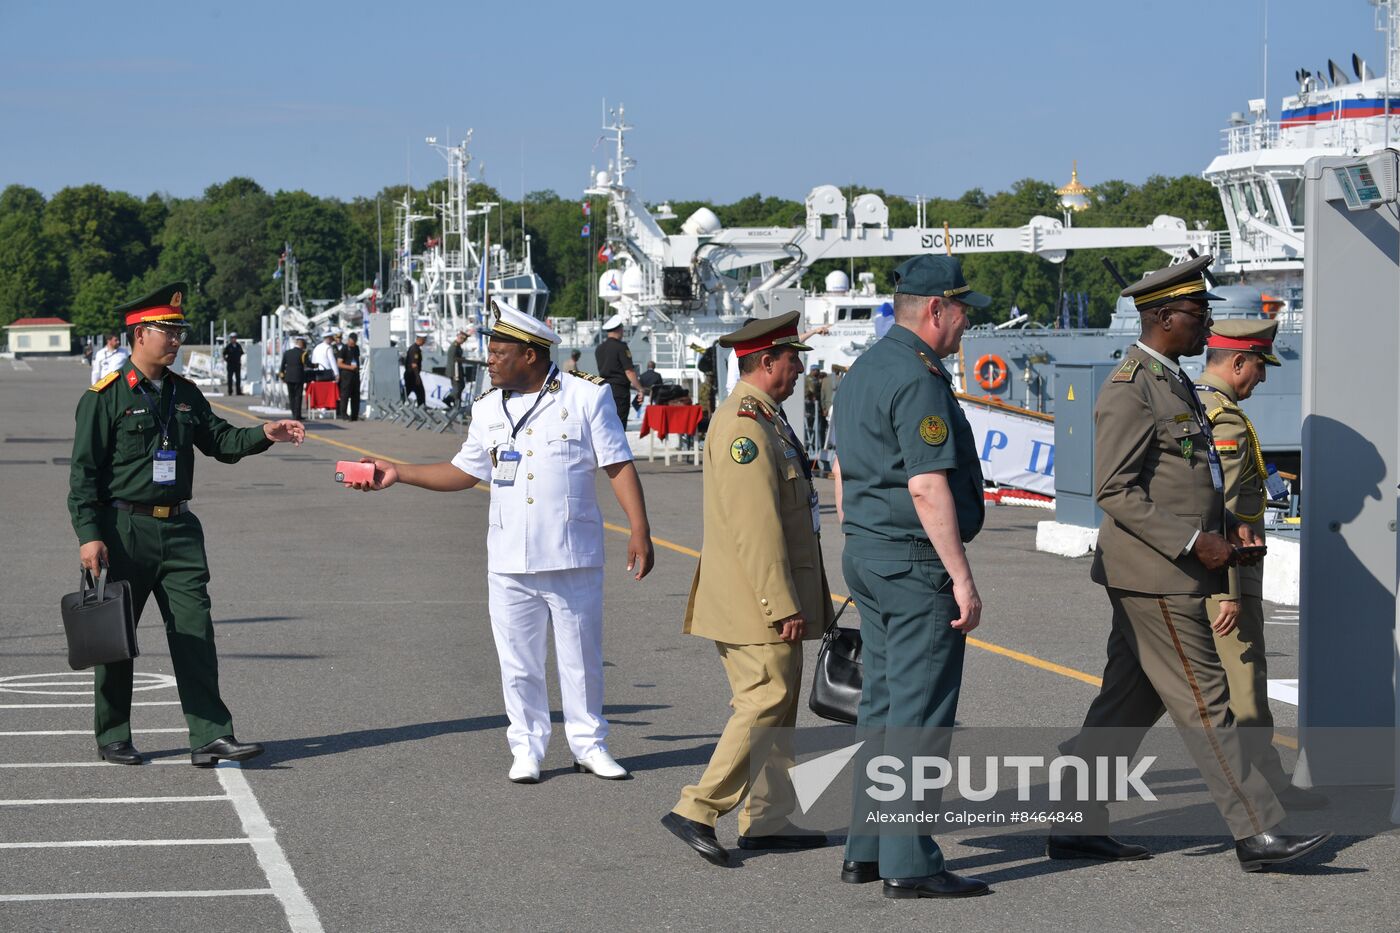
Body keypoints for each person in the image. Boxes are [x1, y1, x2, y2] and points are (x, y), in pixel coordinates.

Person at [1060, 255, 1329, 872]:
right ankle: (1259, 832)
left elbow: (1190, 476)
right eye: (1197, 312)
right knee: (1208, 702)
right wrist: (1192, 542)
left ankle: (1075, 820)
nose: (1206, 325)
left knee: (1127, 704)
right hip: (1158, 573)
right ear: (1161, 317)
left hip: (1166, 568)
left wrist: (1223, 524)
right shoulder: (1130, 387)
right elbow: (1114, 490)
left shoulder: (1172, 380)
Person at [349, 300, 655, 784]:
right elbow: (463, 472)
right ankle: (527, 748)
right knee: (518, 663)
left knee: (581, 660)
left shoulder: (584, 396)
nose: (489, 360)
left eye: (498, 351)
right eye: (489, 350)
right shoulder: (487, 408)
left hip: (571, 554)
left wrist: (639, 529)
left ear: (530, 355)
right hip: (509, 557)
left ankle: (589, 744)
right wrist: (398, 472)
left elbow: (616, 464)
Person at [68, 282, 306, 767]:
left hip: (178, 531)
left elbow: (220, 442)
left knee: (195, 632)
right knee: (115, 637)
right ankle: (113, 734)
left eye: (179, 331)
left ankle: (211, 736)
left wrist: (265, 433)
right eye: (167, 330)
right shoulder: (105, 397)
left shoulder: (184, 393)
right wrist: (89, 535)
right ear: (138, 335)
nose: (176, 340)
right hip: (123, 531)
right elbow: (84, 475)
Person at [831, 254, 991, 899]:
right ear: (936, 310)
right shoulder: (919, 378)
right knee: (920, 716)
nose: (965, 326)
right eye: (962, 312)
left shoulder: (865, 368)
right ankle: (910, 862)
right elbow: (927, 485)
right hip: (912, 560)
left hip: (868, 552)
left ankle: (866, 848)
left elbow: (843, 470)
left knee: (884, 706)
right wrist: (962, 577)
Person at [660, 312, 834, 867]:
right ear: (766, 362)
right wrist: (780, 603)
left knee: (778, 710)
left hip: (769, 595)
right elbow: (755, 527)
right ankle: (697, 807)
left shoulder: (767, 419)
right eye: (792, 359)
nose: (800, 368)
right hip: (755, 601)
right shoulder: (743, 427)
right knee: (764, 702)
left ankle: (767, 818)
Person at [1196, 319, 1325, 810]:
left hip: (1224, 573)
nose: (1263, 379)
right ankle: (1262, 793)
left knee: (1145, 689)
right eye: (1259, 367)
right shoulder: (1221, 417)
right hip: (1228, 576)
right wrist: (1230, 587)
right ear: (1237, 362)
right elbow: (1222, 510)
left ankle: (1086, 769)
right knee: (1243, 683)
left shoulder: (1207, 407)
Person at [595, 315, 644, 428]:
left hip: (604, 389)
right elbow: (629, 371)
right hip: (619, 391)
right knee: (620, 424)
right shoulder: (621, 347)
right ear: (619, 329)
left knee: (607, 423)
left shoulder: (599, 348)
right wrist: (640, 388)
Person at [280, 336, 308, 421]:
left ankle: (293, 414)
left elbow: (282, 366)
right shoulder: (303, 353)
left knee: (291, 396)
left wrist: (282, 377)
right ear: (302, 344)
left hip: (289, 377)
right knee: (298, 397)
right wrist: (316, 365)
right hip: (298, 377)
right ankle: (297, 415)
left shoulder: (287, 352)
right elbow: (307, 364)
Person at [337, 332, 362, 422]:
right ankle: (344, 414)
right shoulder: (343, 349)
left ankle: (354, 415)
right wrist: (350, 367)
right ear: (348, 340)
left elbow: (357, 359)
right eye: (352, 342)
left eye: (354, 342)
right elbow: (339, 364)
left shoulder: (356, 348)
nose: (353, 343)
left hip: (355, 374)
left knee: (356, 395)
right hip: (346, 374)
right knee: (345, 395)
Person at [446, 330, 468, 407]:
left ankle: (457, 404)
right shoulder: (454, 346)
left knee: (461, 386)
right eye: (463, 339)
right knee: (458, 387)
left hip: (457, 370)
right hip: (455, 371)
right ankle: (448, 399)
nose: (463, 341)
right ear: (460, 338)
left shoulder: (457, 346)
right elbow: (453, 359)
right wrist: (462, 359)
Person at [404, 334, 426, 407]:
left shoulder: (413, 348)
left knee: (407, 392)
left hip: (410, 374)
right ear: (420, 340)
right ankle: (421, 409)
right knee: (420, 393)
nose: (425, 342)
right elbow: (414, 364)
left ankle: (398, 404)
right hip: (412, 375)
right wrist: (417, 377)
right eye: (424, 340)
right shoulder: (415, 349)